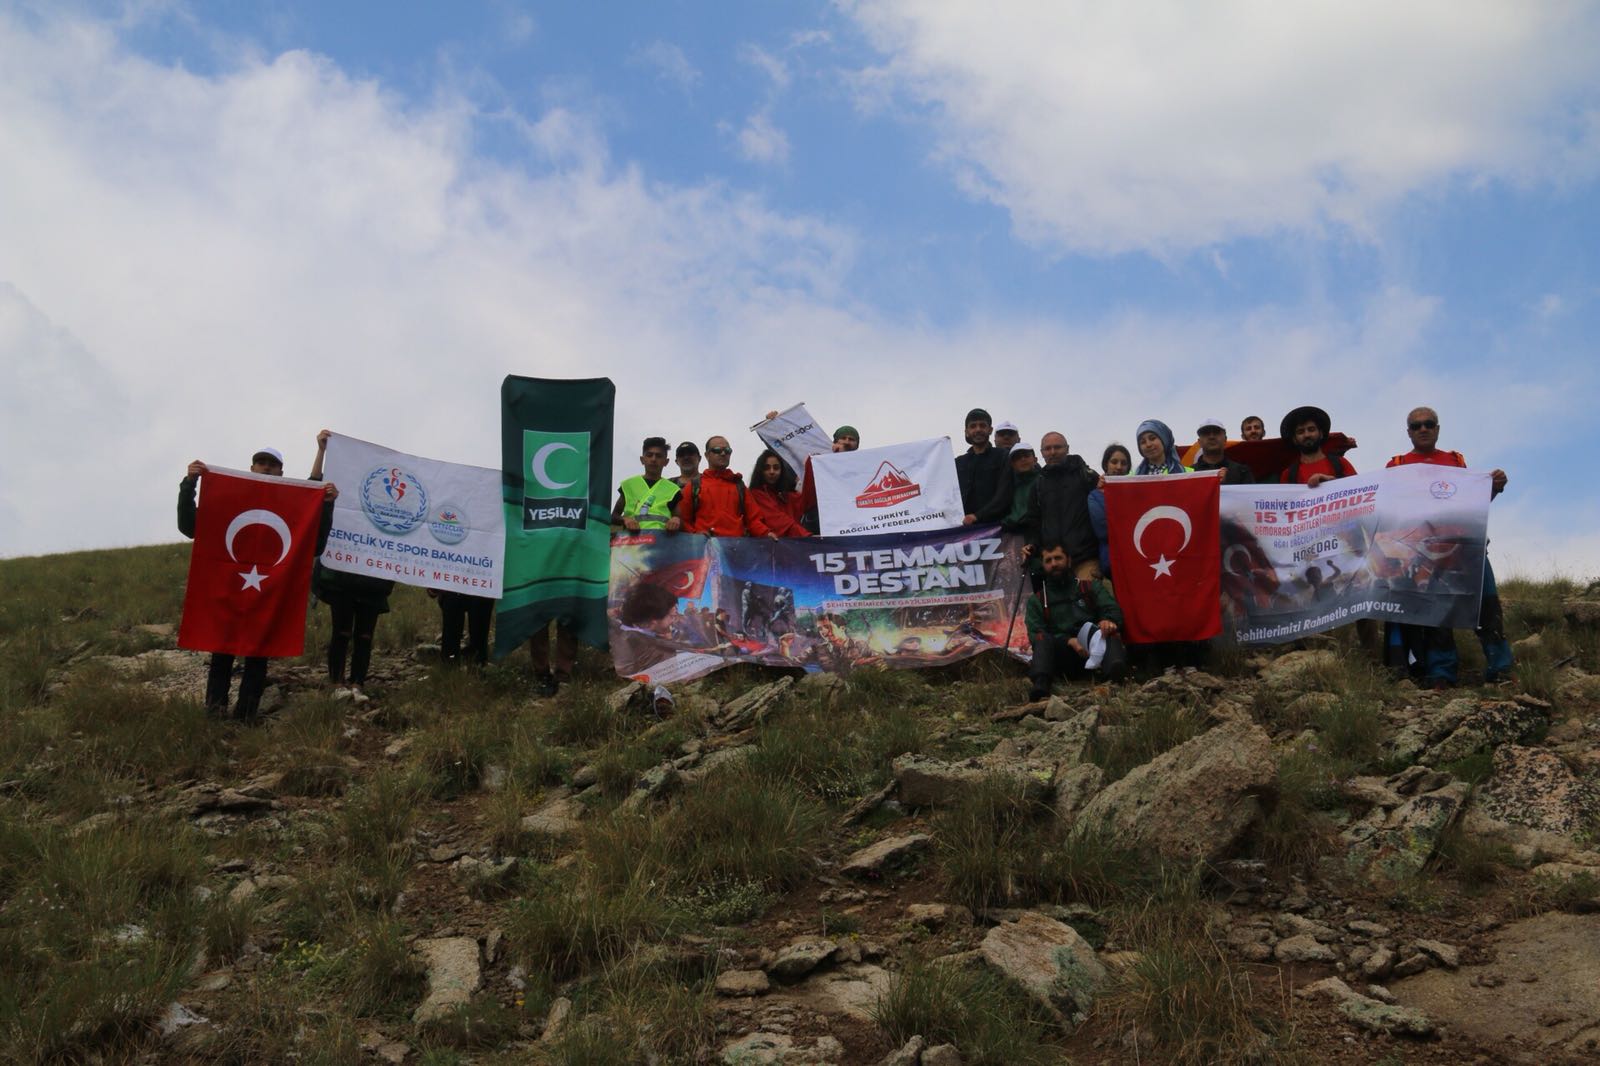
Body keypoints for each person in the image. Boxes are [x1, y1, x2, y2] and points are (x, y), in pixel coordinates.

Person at [178, 446, 337, 720]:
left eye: (271, 464)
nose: (265, 467)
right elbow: (189, 526)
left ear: (281, 471)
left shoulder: (294, 504)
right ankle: (214, 712)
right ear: (251, 468)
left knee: (258, 655)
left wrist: (326, 505)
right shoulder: (230, 497)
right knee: (222, 651)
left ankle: (247, 715)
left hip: (270, 593)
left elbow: (316, 545)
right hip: (229, 591)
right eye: (260, 462)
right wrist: (189, 484)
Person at [1383, 406, 1513, 686]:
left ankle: (1500, 668)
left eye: (1429, 424)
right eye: (1416, 426)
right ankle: (1442, 673)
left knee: (1486, 606)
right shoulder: (1396, 465)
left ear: (1438, 429)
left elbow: (1470, 507)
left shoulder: (1456, 461)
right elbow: (1387, 510)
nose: (1423, 429)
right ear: (1409, 432)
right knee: (1436, 612)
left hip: (1466, 547)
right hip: (1422, 553)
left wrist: (1493, 488)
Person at [309, 430, 392, 704]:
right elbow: (312, 490)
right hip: (342, 578)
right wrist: (322, 451)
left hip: (373, 582)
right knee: (341, 633)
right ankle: (336, 683)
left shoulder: (391, 510)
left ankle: (358, 684)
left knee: (365, 636)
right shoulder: (343, 495)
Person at [1025, 541, 1127, 699]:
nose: (1054, 564)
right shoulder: (1037, 600)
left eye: (1058, 558)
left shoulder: (1090, 587)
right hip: (1063, 656)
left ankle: (1115, 677)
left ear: (1069, 560)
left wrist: (1108, 621)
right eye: (1048, 560)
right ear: (1043, 565)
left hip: (1094, 648)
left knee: (1111, 633)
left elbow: (1113, 609)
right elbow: (1035, 633)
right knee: (1041, 639)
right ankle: (1041, 685)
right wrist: (1068, 640)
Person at [1022, 431, 1104, 581]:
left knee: (1091, 602)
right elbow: (1033, 521)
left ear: (1067, 449)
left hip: (1085, 559)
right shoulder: (1037, 485)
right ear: (1042, 453)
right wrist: (1032, 544)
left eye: (1057, 447)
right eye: (1047, 449)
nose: (1052, 452)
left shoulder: (1087, 476)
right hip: (1054, 563)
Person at [612, 436, 682, 533]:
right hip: (632, 542)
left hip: (661, 542)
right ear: (642, 459)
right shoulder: (629, 485)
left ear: (666, 462)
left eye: (658, 456)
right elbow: (614, 516)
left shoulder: (673, 490)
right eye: (649, 455)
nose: (653, 459)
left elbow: (679, 519)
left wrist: (676, 520)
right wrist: (625, 519)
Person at [679, 435, 746, 536]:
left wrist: (766, 533)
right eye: (717, 450)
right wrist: (695, 535)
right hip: (704, 549)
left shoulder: (739, 485)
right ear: (707, 455)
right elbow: (682, 519)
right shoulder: (694, 486)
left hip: (735, 548)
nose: (723, 453)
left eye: (727, 450)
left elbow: (754, 519)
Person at [1086, 444, 1132, 578]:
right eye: (1114, 462)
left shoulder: (1136, 492)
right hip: (1112, 563)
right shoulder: (1095, 496)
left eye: (1123, 463)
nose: (1119, 467)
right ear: (1106, 465)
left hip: (1138, 559)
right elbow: (1103, 530)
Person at [956, 408, 1009, 524]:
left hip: (997, 529)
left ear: (990, 430)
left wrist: (977, 516)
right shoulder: (958, 463)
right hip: (962, 531)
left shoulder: (1003, 456)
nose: (978, 429)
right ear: (966, 431)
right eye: (973, 426)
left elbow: (1005, 494)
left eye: (982, 425)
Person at [1278, 406, 1355, 486]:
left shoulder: (1340, 463)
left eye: (1311, 429)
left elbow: (1357, 491)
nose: (1307, 435)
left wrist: (1332, 483)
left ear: (1321, 434)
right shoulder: (1288, 475)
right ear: (1294, 439)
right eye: (1300, 432)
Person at [975, 441, 1040, 529]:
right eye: (1017, 458)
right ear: (1012, 464)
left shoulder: (1045, 481)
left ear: (1035, 460)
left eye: (1026, 456)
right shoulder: (1009, 486)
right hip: (1014, 532)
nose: (1023, 459)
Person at [747, 448, 811, 538]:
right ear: (760, 470)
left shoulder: (787, 496)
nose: (772, 471)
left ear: (782, 470)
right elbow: (780, 521)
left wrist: (811, 466)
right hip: (768, 547)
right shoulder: (756, 494)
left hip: (791, 547)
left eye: (776, 468)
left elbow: (809, 499)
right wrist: (807, 537)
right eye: (767, 468)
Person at [432, 590, 494, 668]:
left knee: (481, 604)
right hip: (453, 590)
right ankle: (450, 662)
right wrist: (433, 586)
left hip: (482, 590)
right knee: (452, 604)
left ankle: (478, 661)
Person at [1190, 417, 1255, 484]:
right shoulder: (1188, 474)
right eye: (1206, 433)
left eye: (1216, 432)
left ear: (1225, 439)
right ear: (1199, 442)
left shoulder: (1242, 471)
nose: (1211, 437)